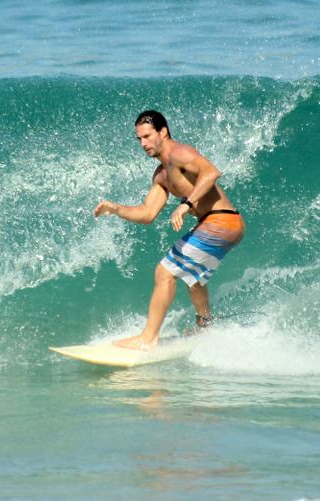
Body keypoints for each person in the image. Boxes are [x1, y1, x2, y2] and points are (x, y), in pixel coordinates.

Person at [93, 110, 245, 351]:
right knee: (191, 276)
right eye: (139, 139)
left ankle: (148, 339)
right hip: (219, 223)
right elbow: (147, 213)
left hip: (221, 221)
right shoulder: (161, 174)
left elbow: (212, 172)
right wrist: (116, 209)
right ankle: (206, 328)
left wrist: (186, 204)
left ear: (163, 132)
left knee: (165, 271)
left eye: (147, 136)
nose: (143, 144)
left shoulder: (179, 152)